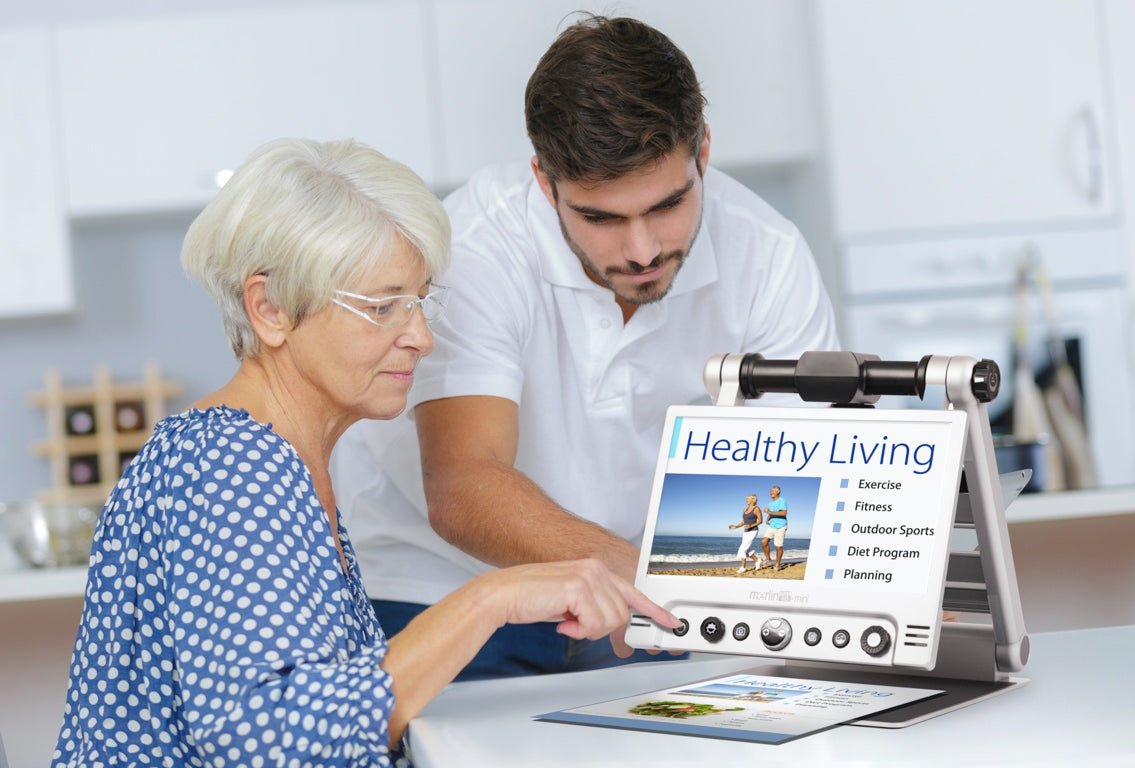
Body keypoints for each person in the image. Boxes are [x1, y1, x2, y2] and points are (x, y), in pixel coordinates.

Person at [51, 138, 678, 767]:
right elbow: (273, 739)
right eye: (382, 308)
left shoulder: (273, 460)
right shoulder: (232, 467)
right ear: (269, 309)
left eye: (421, 302)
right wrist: (494, 598)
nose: (423, 338)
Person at [332, 14, 839, 680]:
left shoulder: (768, 257)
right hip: (442, 591)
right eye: (602, 218)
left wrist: (864, 600)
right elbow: (462, 483)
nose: (643, 249)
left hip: (645, 599)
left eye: (668, 204)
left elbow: (791, 483)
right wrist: (649, 579)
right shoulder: (474, 251)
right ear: (545, 182)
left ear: (704, 152)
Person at [728, 494, 765, 574]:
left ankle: (743, 567)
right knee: (747, 549)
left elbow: (760, 521)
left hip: (753, 531)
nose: (746, 500)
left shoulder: (757, 509)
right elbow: (744, 522)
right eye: (746, 499)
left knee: (742, 549)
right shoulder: (745, 509)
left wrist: (751, 525)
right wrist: (736, 526)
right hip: (746, 531)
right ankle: (757, 560)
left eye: (748, 499)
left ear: (753, 499)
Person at [761, 485, 789, 572]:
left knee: (778, 546)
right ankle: (768, 559)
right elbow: (771, 513)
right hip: (772, 525)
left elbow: (783, 513)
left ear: (778, 492)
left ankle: (778, 564)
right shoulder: (770, 503)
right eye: (770, 491)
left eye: (773, 491)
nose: (771, 492)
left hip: (781, 526)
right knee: (764, 541)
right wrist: (767, 519)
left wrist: (768, 511)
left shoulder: (782, 501)